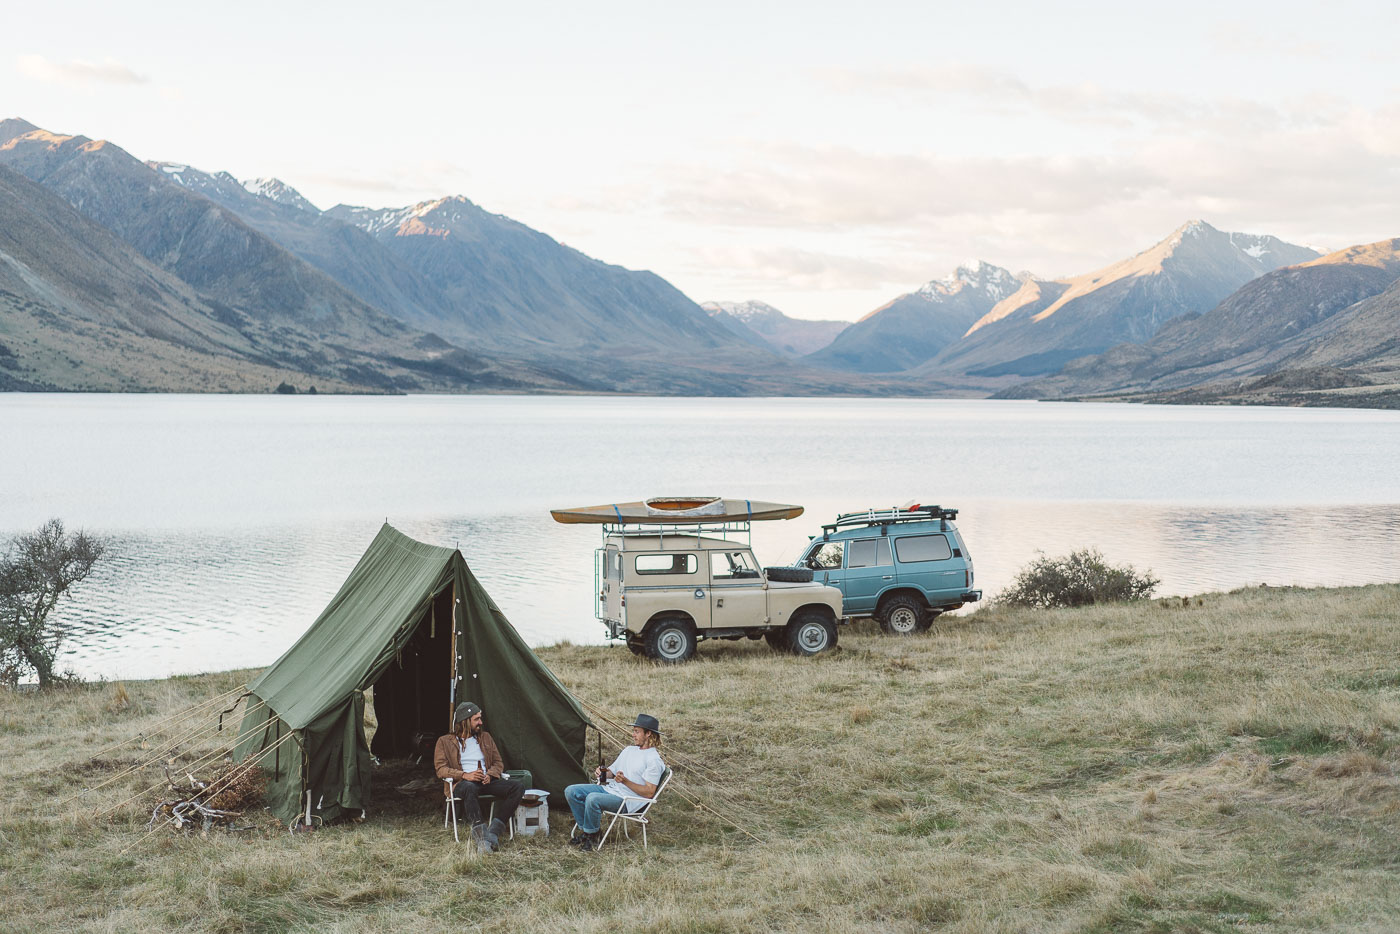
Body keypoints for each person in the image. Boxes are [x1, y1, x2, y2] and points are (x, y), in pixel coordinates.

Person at [565, 714, 666, 851]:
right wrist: (603, 774)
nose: (633, 734)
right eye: (634, 731)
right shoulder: (629, 750)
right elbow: (612, 773)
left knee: (592, 798)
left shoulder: (653, 760)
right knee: (571, 791)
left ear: (648, 734)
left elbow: (649, 792)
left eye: (637, 731)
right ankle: (588, 832)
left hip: (629, 801)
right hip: (611, 790)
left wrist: (625, 782)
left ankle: (593, 836)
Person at [434, 701, 524, 852]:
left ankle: (493, 833)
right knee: (469, 787)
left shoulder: (486, 737)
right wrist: (465, 775)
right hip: (461, 784)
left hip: (485, 782)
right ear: (465, 721)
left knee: (518, 787)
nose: (480, 722)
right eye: (476, 719)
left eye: (480, 718)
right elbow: (441, 769)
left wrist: (490, 774)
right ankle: (482, 838)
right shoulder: (444, 741)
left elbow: (498, 763)